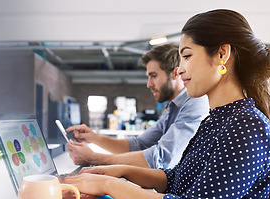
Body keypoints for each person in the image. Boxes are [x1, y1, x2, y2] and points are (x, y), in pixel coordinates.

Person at [64, 9, 270, 199]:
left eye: (186, 56)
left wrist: (110, 186)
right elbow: (176, 179)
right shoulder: (217, 120)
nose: (180, 69)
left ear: (221, 54)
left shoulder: (246, 127)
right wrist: (121, 172)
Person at [66, 44, 209, 169]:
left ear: (175, 73)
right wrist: (94, 138)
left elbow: (161, 158)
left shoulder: (195, 102)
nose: (149, 84)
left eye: (153, 76)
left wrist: (94, 158)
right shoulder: (172, 107)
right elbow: (139, 145)